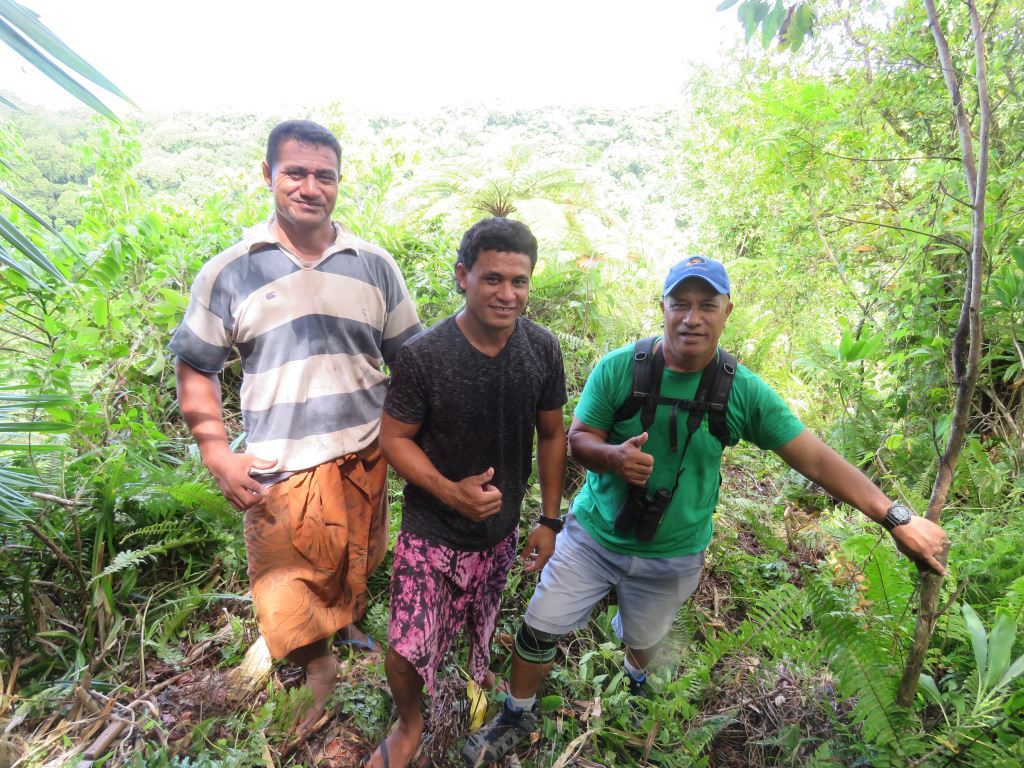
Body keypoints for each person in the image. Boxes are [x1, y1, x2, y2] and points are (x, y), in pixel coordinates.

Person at [461, 256, 950, 766]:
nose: (692, 318)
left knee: (644, 640)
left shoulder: (740, 391)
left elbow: (817, 459)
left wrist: (896, 516)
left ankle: (635, 676)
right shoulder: (619, 369)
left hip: (673, 553)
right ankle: (515, 717)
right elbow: (578, 438)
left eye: (706, 305)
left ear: (726, 311)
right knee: (539, 625)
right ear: (664, 308)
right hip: (595, 536)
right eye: (681, 304)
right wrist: (613, 457)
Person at [170, 119, 422, 731]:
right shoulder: (231, 271)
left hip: (364, 452)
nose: (310, 187)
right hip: (283, 463)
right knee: (286, 581)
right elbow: (195, 368)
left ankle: (345, 623)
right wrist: (217, 455)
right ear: (268, 176)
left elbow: (411, 359)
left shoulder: (373, 266)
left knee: (354, 558)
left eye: (324, 175)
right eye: (296, 173)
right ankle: (317, 670)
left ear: (339, 182)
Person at [365, 217, 568, 768]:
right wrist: (448, 492)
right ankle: (410, 724)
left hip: (499, 533)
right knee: (406, 647)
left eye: (519, 281)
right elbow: (394, 438)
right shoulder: (425, 356)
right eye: (492, 279)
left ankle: (466, 689)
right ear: (463, 276)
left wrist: (549, 521)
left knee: (472, 627)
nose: (507, 294)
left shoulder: (542, 350)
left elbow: (552, 433)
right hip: (432, 531)